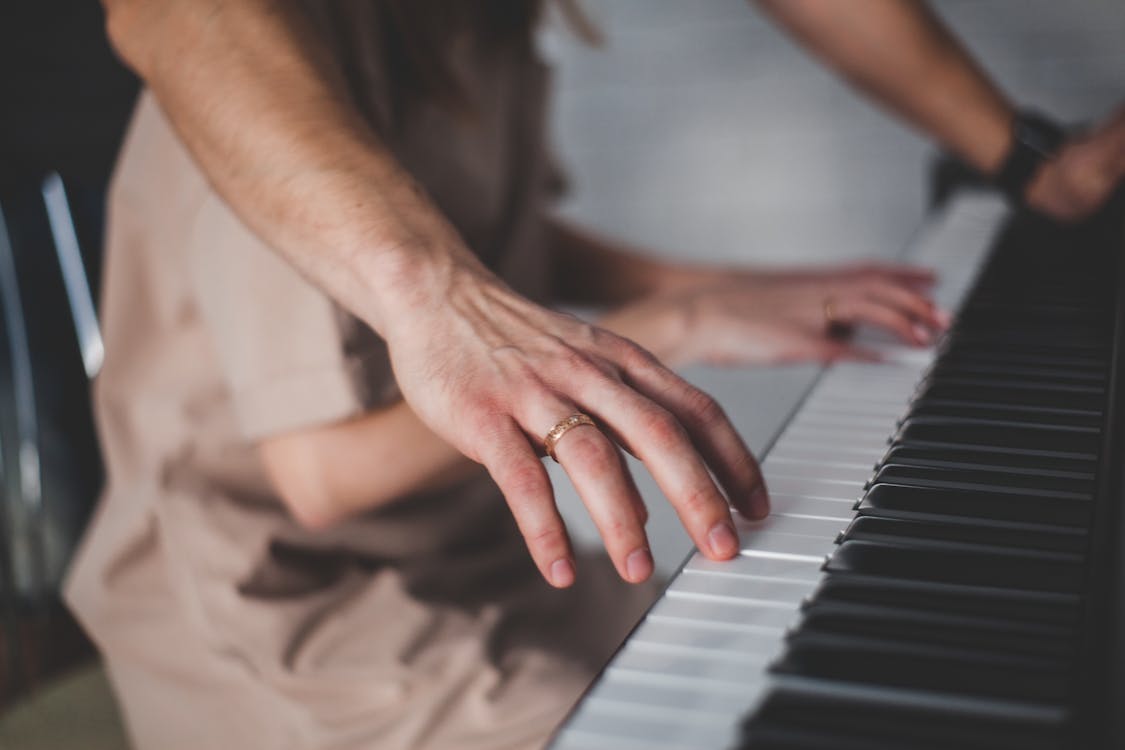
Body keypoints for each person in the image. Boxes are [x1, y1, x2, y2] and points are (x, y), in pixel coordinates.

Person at [64, 1, 1124, 748]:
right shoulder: (272, 92)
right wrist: (672, 320)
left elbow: (505, 243)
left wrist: (721, 287)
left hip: (483, 564)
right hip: (293, 623)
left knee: (822, 681)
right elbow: (318, 479)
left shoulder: (473, 22)